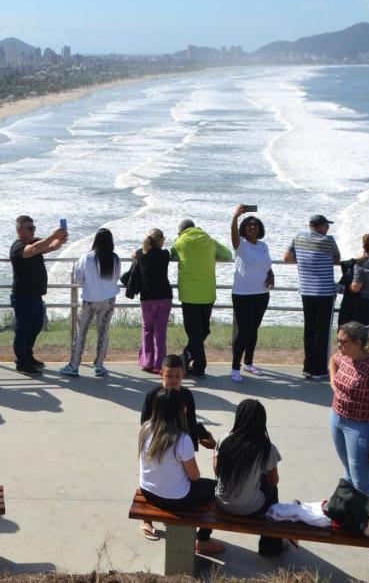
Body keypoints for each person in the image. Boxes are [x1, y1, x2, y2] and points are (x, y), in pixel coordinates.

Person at [328, 321, 369, 566]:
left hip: (360, 427)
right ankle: (355, 516)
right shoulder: (343, 356)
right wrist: (334, 383)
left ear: (357, 343)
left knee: (362, 482)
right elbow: (332, 361)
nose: (339, 346)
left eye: (343, 341)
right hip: (337, 419)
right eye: (339, 341)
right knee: (349, 474)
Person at [137, 387, 223, 557]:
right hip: (176, 499)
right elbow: (195, 476)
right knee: (218, 490)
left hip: (147, 492)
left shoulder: (145, 428)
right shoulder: (182, 439)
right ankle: (203, 540)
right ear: (178, 411)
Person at [214, 399, 285, 556]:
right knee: (273, 491)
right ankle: (270, 546)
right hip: (251, 508)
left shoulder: (224, 439)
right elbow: (274, 481)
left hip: (221, 503)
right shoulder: (268, 448)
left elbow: (217, 472)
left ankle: (203, 537)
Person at [171, 219, 233, 380]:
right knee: (203, 330)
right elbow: (227, 254)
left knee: (194, 332)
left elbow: (170, 255)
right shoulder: (209, 241)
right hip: (207, 293)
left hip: (189, 294)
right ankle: (190, 357)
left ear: (181, 231)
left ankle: (196, 364)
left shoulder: (180, 242)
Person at [8, 215, 68, 374]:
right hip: (22, 296)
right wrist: (53, 236)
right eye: (29, 228)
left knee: (36, 327)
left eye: (33, 228)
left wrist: (60, 240)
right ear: (20, 230)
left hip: (35, 296)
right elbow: (32, 250)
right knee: (23, 330)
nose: (33, 231)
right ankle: (22, 362)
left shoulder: (34, 242)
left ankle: (27, 355)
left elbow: (50, 247)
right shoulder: (18, 246)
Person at [284, 215, 341, 380]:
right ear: (320, 226)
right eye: (326, 226)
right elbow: (337, 259)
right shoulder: (328, 240)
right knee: (322, 332)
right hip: (325, 293)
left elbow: (286, 258)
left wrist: (304, 261)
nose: (328, 229)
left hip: (307, 292)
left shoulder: (298, 238)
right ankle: (320, 370)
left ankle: (308, 367)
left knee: (309, 331)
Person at [62, 228, 121, 378]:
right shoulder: (115, 258)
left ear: (96, 241)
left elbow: (79, 278)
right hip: (109, 300)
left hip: (90, 300)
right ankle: (99, 366)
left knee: (81, 333)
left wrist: (89, 284)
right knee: (103, 332)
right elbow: (116, 277)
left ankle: (74, 366)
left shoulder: (87, 258)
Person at [230, 206, 274, 383]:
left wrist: (271, 274)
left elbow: (266, 265)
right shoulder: (240, 244)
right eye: (248, 224)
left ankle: (248, 363)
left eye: (255, 224)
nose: (252, 227)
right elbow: (233, 235)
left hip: (262, 294)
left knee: (253, 330)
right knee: (244, 331)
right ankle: (235, 367)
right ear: (243, 228)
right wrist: (235, 216)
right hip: (243, 294)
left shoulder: (263, 246)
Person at [133, 229, 174, 373]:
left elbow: (137, 253)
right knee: (160, 331)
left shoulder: (140, 254)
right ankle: (159, 364)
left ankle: (147, 361)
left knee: (147, 329)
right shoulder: (165, 254)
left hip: (147, 298)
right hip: (164, 296)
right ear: (161, 240)